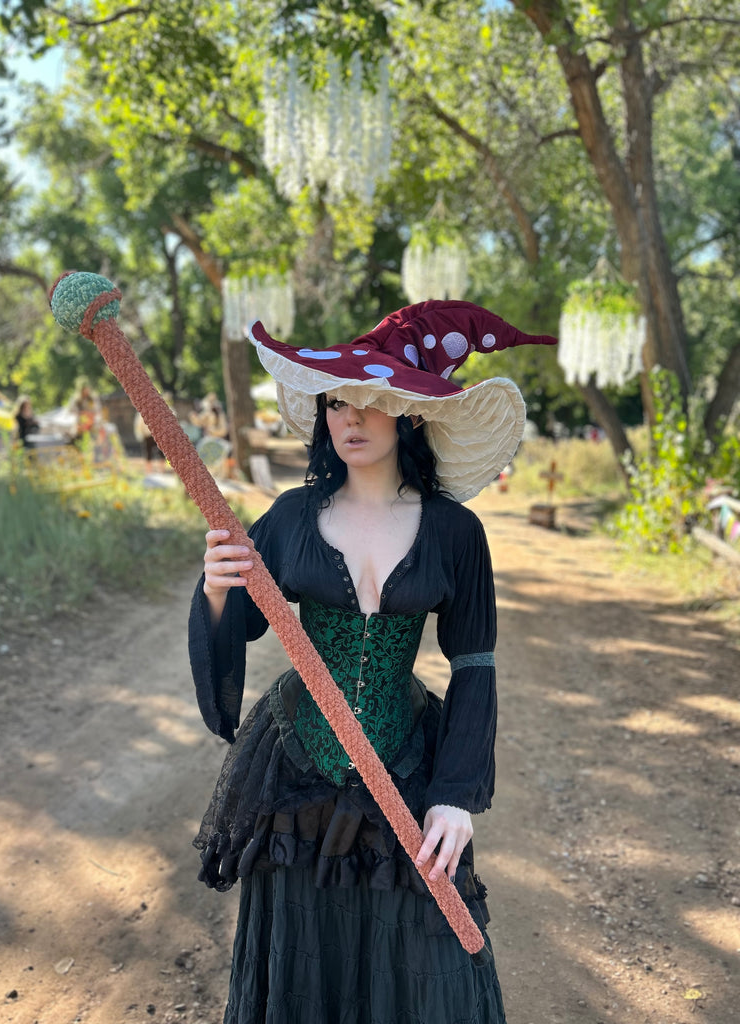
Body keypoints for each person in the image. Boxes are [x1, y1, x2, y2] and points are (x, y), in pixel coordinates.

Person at [187, 300, 556, 1024]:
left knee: (428, 949)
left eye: (371, 403)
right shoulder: (293, 516)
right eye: (337, 403)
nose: (350, 419)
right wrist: (217, 588)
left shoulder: (455, 532)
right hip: (296, 767)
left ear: (409, 415)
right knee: (305, 946)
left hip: (406, 763)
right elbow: (244, 628)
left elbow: (473, 661)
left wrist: (455, 792)